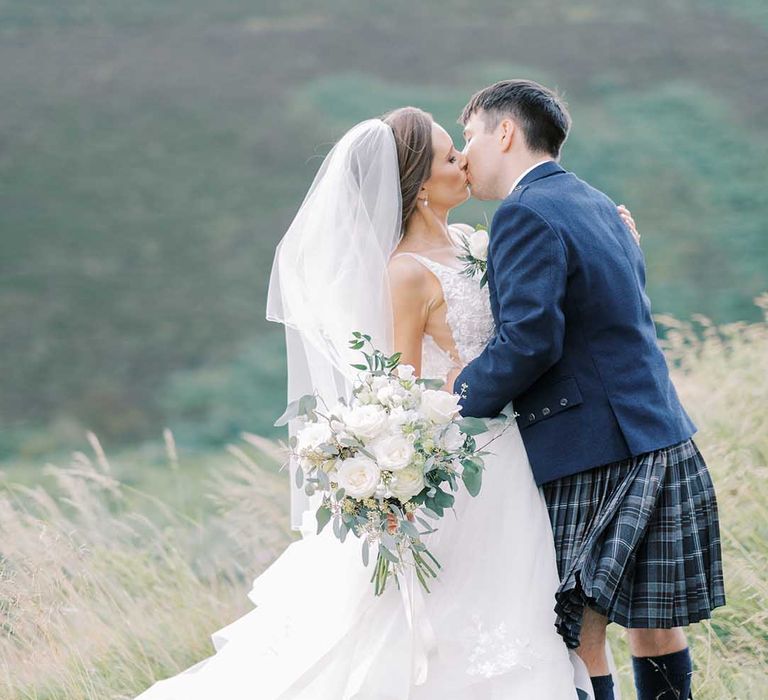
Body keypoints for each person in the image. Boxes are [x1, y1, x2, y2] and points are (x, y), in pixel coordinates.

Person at [135, 103, 639, 699]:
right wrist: (395, 466)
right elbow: (397, 388)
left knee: (531, 611)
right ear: (422, 185)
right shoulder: (406, 272)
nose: (465, 159)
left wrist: (614, 241)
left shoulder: (480, 240)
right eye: (450, 155)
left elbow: (539, 316)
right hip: (470, 463)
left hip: (521, 450)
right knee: (462, 616)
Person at [450, 79, 726, 700]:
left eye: (468, 136)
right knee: (656, 626)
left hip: (590, 447)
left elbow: (530, 341)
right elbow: (613, 307)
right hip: (659, 431)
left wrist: (452, 403)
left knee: (578, 632)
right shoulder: (596, 201)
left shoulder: (522, 213)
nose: (465, 154)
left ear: (504, 132)